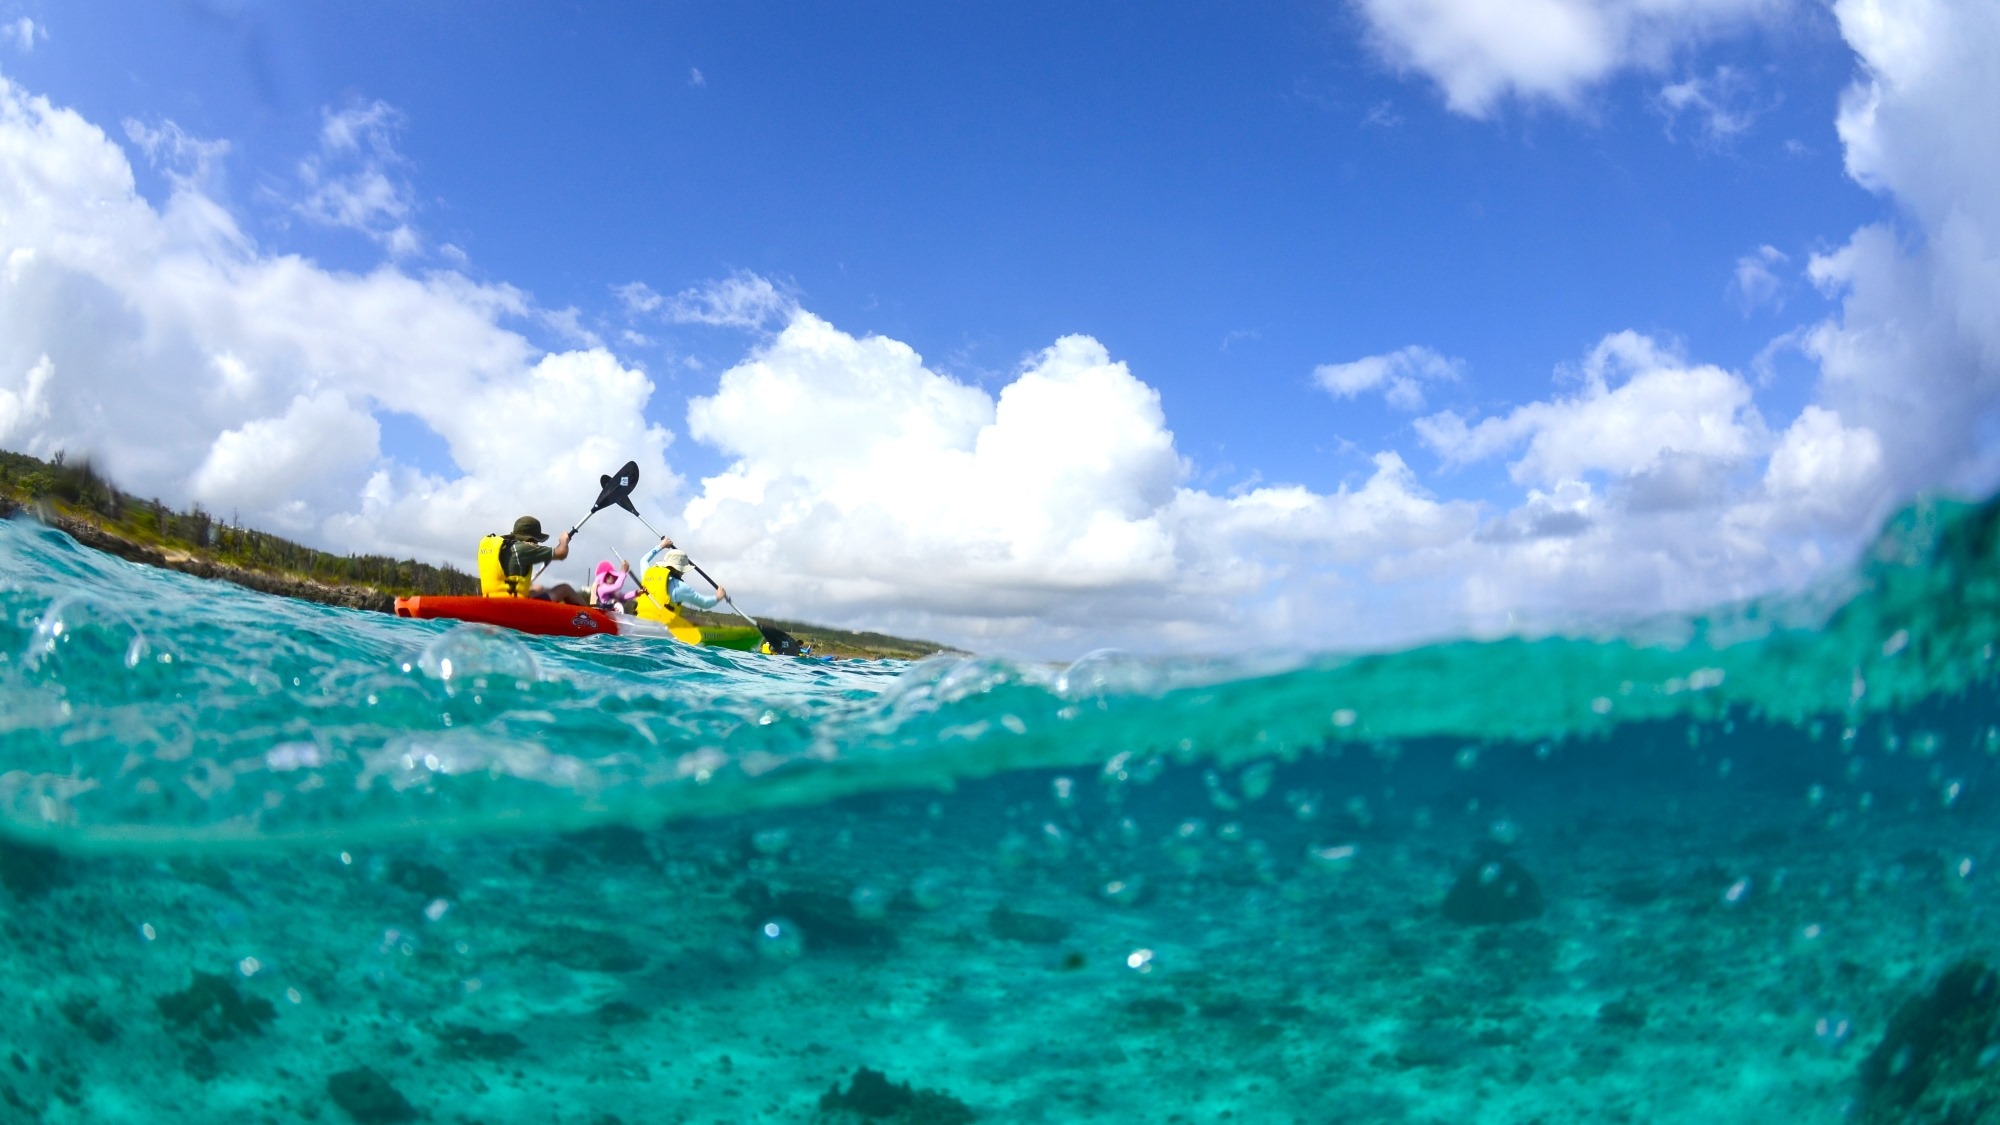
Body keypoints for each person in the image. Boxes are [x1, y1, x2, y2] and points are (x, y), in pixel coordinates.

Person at [498, 516, 588, 605]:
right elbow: (561, 552)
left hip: (497, 596)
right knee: (565, 589)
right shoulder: (524, 547)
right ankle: (589, 616)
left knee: (538, 588)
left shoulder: (504, 547)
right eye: (537, 541)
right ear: (530, 539)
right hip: (516, 603)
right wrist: (564, 540)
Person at [640, 536, 725, 610]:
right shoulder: (680, 587)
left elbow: (643, 560)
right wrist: (718, 597)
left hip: (639, 622)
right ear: (681, 569)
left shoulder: (648, 573)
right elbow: (704, 603)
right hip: (660, 627)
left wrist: (661, 545)